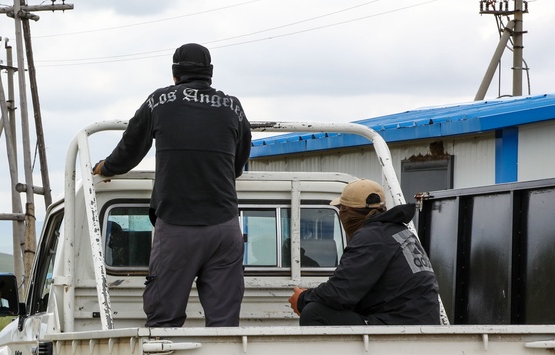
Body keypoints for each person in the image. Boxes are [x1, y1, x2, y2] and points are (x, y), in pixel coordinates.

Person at [93, 42, 252, 327]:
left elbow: (130, 149)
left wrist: (105, 167)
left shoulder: (159, 102)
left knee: (164, 320)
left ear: (175, 74)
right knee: (224, 323)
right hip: (225, 228)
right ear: (210, 74)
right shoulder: (233, 107)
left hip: (178, 227)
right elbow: (237, 165)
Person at [288, 179, 441, 325]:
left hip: (399, 325)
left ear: (348, 213)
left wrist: (302, 299)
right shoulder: (399, 232)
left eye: (342, 209)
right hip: (417, 322)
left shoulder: (371, 237)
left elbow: (339, 292)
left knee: (314, 312)